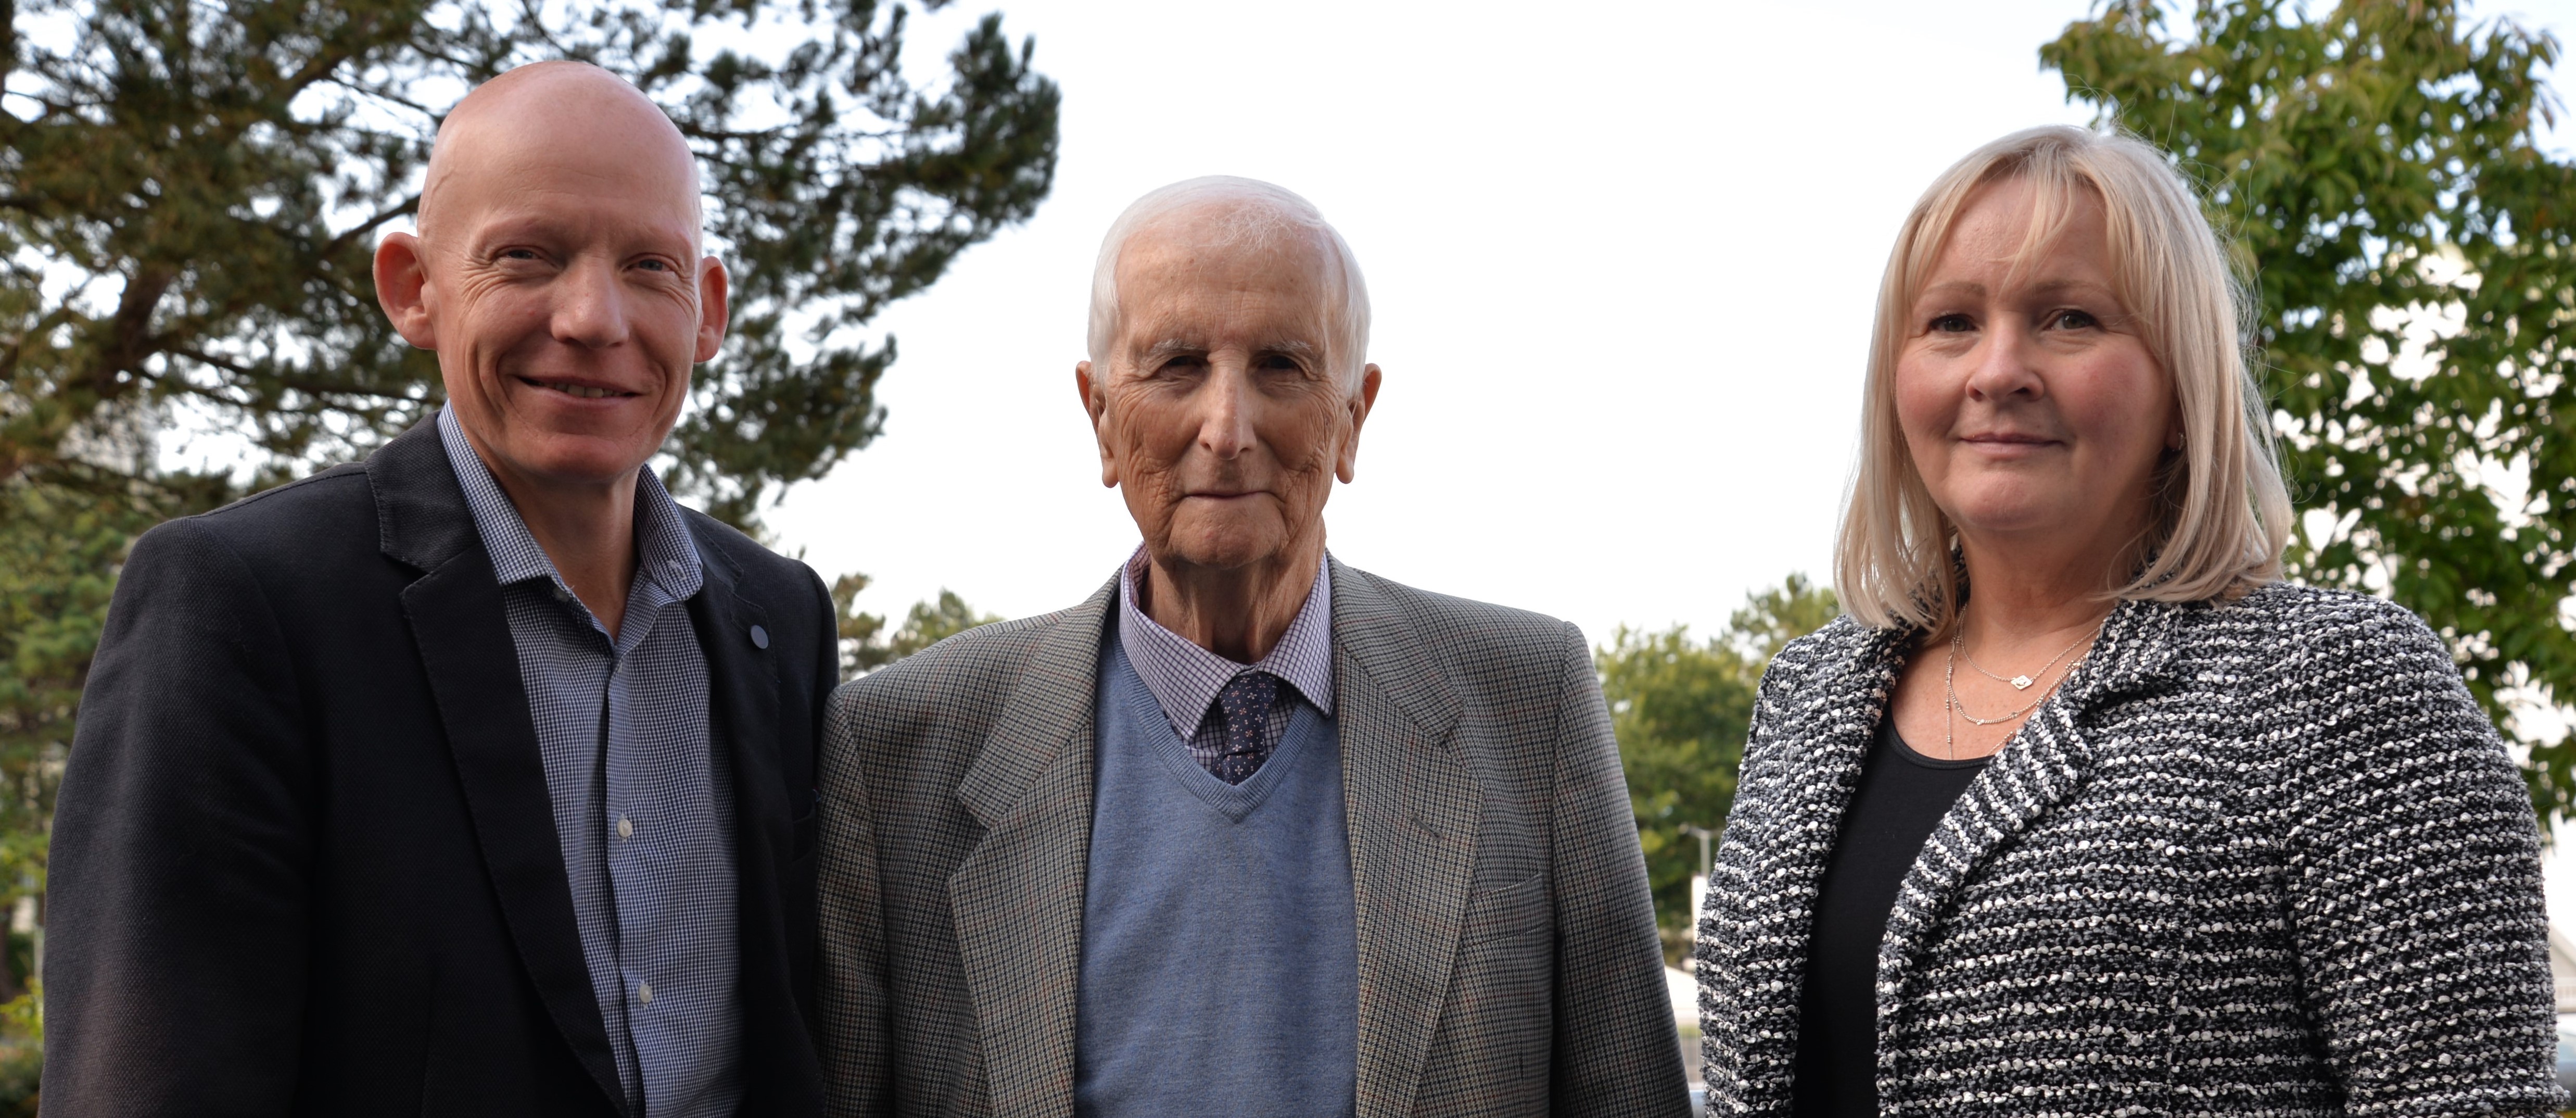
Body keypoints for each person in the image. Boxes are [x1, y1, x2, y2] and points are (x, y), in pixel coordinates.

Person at [1694, 124, 2562, 1115]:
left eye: (2068, 318)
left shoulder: (2340, 682)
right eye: (1948, 323)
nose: (1997, 370)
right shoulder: (1809, 693)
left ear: (2182, 386)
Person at [41, 62, 834, 1117]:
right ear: (415, 286)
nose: (595, 317)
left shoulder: (778, 618)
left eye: (651, 265)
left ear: (709, 309)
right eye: (527, 257)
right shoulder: (244, 604)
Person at [814, 177, 1690, 1117]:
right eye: (1177, 365)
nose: (1226, 431)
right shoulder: (897, 747)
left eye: (1280, 366)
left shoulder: (1530, 702)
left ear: (1353, 415)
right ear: (1100, 416)